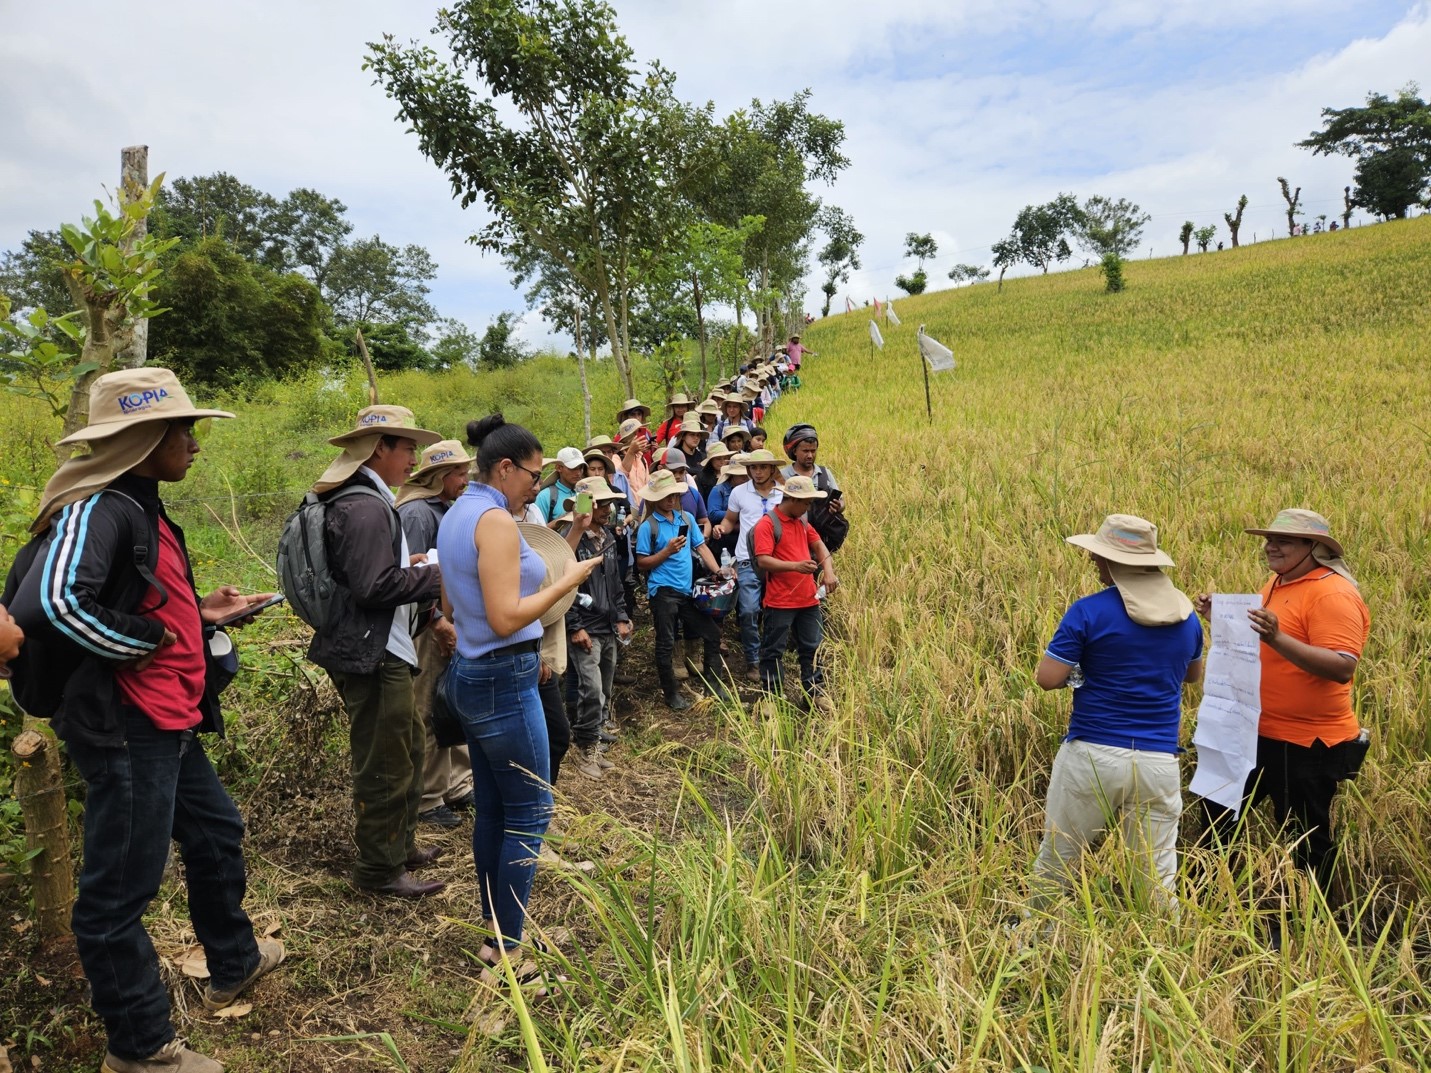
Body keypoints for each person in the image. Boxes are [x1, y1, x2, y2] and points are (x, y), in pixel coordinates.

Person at [2, 369, 283, 1072]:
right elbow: (54, 604)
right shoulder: (102, 506)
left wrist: (203, 613)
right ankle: (140, 1049)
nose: (194, 443)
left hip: (166, 717)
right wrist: (148, 641)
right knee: (115, 896)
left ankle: (234, 961)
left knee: (216, 831)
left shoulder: (140, 503)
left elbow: (139, 593)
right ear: (142, 437)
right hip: (126, 725)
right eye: (183, 429)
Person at [437, 414, 601, 977]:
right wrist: (566, 581)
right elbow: (507, 617)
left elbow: (453, 606)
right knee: (530, 808)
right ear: (504, 468)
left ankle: (495, 927)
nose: (538, 485)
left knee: (495, 807)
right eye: (534, 475)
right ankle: (507, 951)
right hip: (504, 677)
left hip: (471, 673)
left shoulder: (458, 512)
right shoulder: (498, 523)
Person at [307, 405, 447, 898]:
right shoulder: (364, 506)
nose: (413, 457)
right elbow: (372, 586)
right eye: (406, 447)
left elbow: (367, 575)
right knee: (385, 760)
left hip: (379, 646)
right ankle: (378, 870)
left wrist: (406, 567)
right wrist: (434, 574)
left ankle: (399, 845)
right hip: (371, 652)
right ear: (380, 448)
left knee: (405, 744)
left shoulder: (364, 500)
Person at [1030, 515, 1204, 907]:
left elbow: (1047, 677)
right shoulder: (1187, 616)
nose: (1093, 563)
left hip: (1093, 753)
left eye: (1098, 557)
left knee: (1060, 857)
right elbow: (1192, 675)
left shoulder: (1089, 611)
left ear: (1114, 563)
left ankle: (1036, 935)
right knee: (1157, 875)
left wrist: (1085, 670)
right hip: (1159, 762)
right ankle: (1166, 952)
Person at [1196, 509, 1371, 898]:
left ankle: (1312, 924)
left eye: (1284, 541)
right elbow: (1258, 637)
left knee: (1304, 838)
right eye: (1269, 539)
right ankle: (1203, 901)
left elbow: (1342, 667)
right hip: (1254, 730)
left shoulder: (1334, 593)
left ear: (1315, 547)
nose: (1271, 547)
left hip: (1307, 742)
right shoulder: (1277, 582)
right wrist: (1217, 618)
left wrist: (1276, 638)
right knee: (1217, 814)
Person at [396, 440, 475, 830]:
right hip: (430, 626)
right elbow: (411, 579)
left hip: (452, 621)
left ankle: (457, 784)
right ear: (438, 476)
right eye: (459, 473)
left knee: (452, 703)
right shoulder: (415, 512)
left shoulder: (446, 508)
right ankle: (428, 797)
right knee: (428, 707)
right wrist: (438, 621)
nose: (465, 479)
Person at [634, 470, 732, 710]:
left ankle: (714, 684)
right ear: (656, 498)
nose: (671, 499)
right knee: (666, 642)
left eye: (674, 495)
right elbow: (641, 562)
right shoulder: (649, 526)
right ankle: (671, 694)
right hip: (663, 592)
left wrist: (718, 570)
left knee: (711, 633)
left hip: (686, 592)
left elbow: (702, 548)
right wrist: (666, 552)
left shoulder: (686, 519)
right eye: (666, 495)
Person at [556, 477, 632, 779]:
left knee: (604, 687)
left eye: (608, 503)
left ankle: (595, 742)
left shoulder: (608, 538)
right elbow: (565, 586)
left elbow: (614, 582)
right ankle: (587, 749)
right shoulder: (570, 540)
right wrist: (574, 625)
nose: (606, 509)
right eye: (599, 503)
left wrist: (622, 615)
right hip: (585, 625)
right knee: (591, 689)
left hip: (607, 624)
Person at [751, 475, 838, 711]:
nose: (808, 507)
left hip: (808, 599)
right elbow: (763, 560)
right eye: (806, 503)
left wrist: (828, 572)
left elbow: (819, 544)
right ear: (792, 499)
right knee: (773, 650)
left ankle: (814, 693)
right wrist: (795, 566)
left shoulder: (801, 522)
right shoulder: (767, 525)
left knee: (813, 646)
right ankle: (770, 697)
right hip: (780, 601)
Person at [716, 449, 785, 681]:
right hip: (747, 559)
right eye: (754, 467)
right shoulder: (738, 492)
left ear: (772, 469)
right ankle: (753, 660)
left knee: (776, 612)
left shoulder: (782, 493)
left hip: (778, 560)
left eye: (763, 467)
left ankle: (772, 657)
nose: (758, 471)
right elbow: (730, 519)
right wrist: (722, 528)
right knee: (747, 610)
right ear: (748, 469)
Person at [781, 424, 848, 554]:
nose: (810, 455)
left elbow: (842, 501)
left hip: (822, 541)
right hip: (792, 541)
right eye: (805, 451)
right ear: (794, 451)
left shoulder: (825, 473)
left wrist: (839, 506)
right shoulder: (783, 476)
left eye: (813, 451)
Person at [533, 446, 585, 525]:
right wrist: (561, 521)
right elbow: (538, 532)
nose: (578, 473)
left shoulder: (584, 492)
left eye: (580, 468)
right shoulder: (545, 496)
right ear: (559, 468)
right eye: (573, 468)